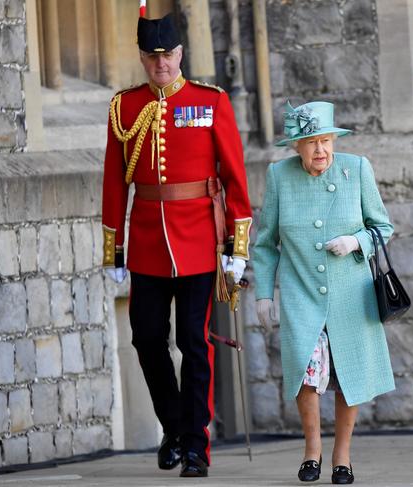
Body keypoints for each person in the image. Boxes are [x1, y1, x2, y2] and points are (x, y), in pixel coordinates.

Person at [101, 13, 252, 477]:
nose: (160, 64)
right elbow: (113, 181)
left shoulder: (210, 101)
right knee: (146, 336)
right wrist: (115, 249)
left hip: (198, 241)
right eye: (152, 56)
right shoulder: (125, 108)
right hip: (147, 242)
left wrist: (237, 243)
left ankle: (196, 445)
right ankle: (173, 426)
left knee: (192, 341)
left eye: (167, 55)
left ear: (180, 54)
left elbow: (233, 174)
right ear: (143, 58)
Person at [253, 101, 395, 484]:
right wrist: (264, 293)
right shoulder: (279, 176)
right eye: (311, 142)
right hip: (302, 294)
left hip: (352, 294)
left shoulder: (357, 169)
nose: (320, 150)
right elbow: (265, 243)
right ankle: (311, 451)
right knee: (306, 372)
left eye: (326, 140)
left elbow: (383, 226)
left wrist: (356, 241)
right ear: (295, 146)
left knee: (349, 373)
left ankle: (342, 456)